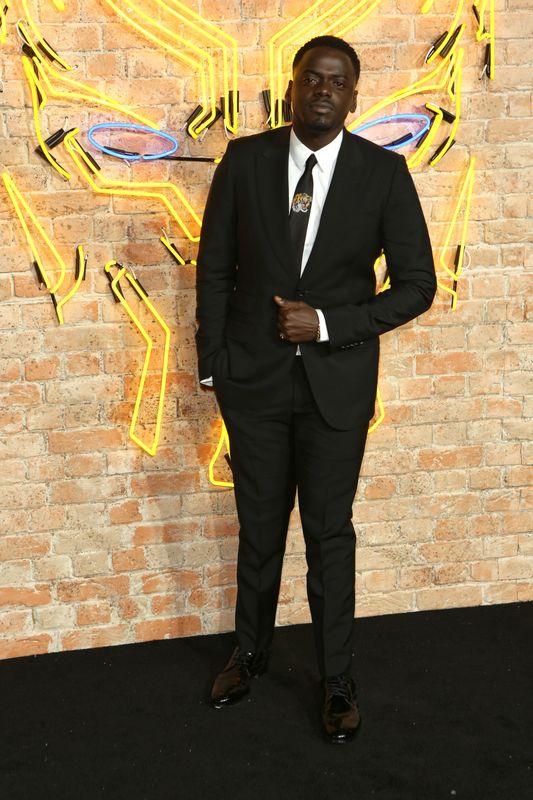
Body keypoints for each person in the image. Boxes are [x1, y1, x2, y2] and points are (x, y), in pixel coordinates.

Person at [195, 35, 436, 743]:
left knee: (329, 536)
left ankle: (336, 682)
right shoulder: (245, 160)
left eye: (337, 82)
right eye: (311, 79)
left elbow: (418, 286)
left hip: (336, 389)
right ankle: (250, 654)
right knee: (259, 530)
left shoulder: (382, 173)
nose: (322, 91)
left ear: (352, 97)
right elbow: (213, 269)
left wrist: (330, 323)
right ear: (291, 87)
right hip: (254, 386)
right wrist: (214, 364)